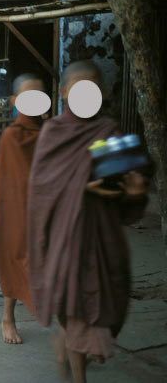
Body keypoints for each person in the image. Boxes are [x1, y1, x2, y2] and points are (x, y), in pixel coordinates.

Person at [27, 60, 148, 383]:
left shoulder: (109, 132)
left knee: (104, 308)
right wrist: (82, 186)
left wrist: (134, 193)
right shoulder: (53, 132)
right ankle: (78, 374)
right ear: (64, 91)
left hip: (103, 237)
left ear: (102, 91)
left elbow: (128, 190)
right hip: (66, 238)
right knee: (75, 306)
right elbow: (41, 189)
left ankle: (68, 346)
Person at [0, 73, 45, 344]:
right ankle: (8, 317)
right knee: (14, 259)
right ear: (15, 100)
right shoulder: (11, 136)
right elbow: (12, 181)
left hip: (48, 210)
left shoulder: (51, 133)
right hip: (17, 212)